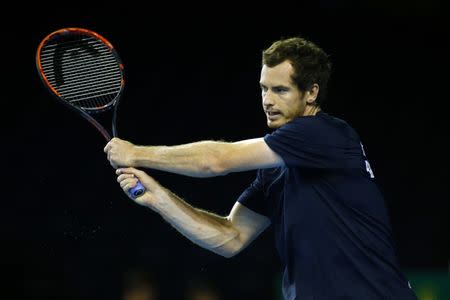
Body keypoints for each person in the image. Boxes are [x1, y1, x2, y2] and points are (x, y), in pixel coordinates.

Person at [104, 37, 417, 299]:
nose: (268, 100)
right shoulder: (275, 171)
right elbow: (230, 237)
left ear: (311, 93)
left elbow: (217, 160)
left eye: (280, 90)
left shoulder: (324, 133)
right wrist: (158, 197)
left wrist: (136, 153)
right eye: (264, 88)